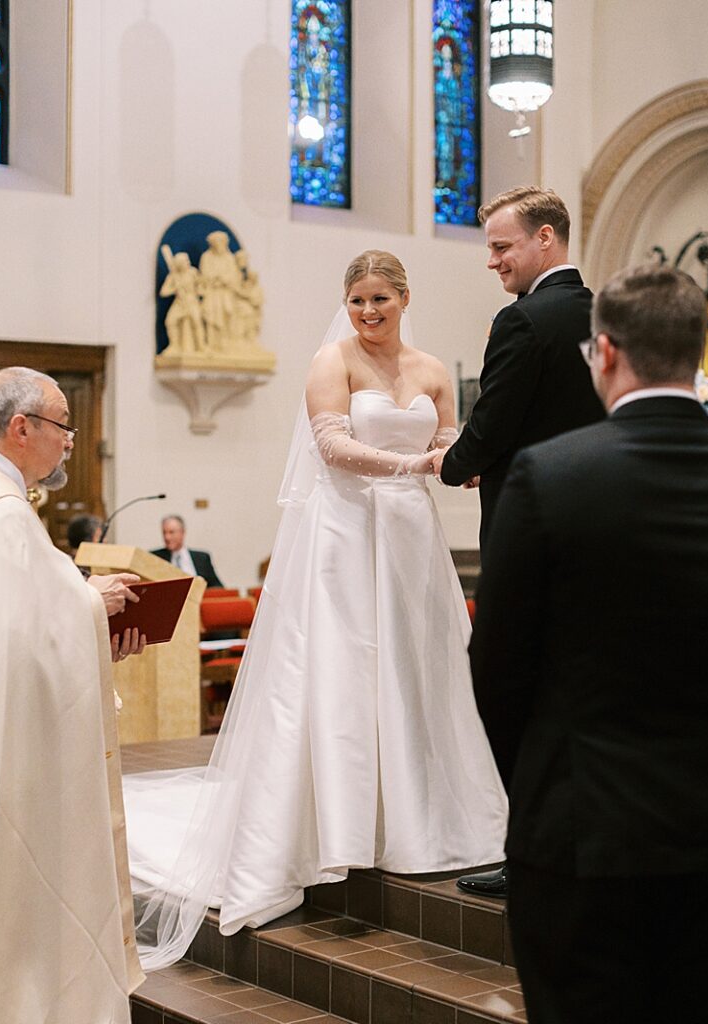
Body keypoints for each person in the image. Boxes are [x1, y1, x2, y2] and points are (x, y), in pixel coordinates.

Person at [123, 250, 508, 969]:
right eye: (358, 300)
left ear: (403, 298)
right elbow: (332, 446)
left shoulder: (428, 369)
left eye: (380, 301)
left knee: (417, 666)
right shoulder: (332, 360)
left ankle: (423, 814)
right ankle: (338, 823)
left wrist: (465, 458)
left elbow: (449, 440)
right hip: (344, 529)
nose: (368, 313)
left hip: (410, 537)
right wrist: (415, 466)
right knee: (345, 664)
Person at [470, 264, 708, 1024]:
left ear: (603, 352)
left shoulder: (551, 474)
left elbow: (498, 669)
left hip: (581, 833)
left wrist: (541, 784)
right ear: (700, 351)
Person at [0, 367, 146, 1022]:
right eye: (63, 425)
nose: (70, 442)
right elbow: (26, 643)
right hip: (15, 754)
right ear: (21, 427)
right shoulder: (1, 519)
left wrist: (83, 610)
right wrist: (95, 603)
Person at [434, 186, 606, 899]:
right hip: (598, 531)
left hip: (528, 534)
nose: (493, 262)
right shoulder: (603, 314)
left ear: (546, 240)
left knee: (510, 684)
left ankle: (530, 846)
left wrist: (455, 463)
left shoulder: (523, 321)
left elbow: (493, 422)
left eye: (503, 246)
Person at [151, 514, 223, 588]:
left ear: (182, 533)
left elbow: (217, 587)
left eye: (171, 532)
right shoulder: (155, 557)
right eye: (164, 533)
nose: (167, 537)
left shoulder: (202, 558)